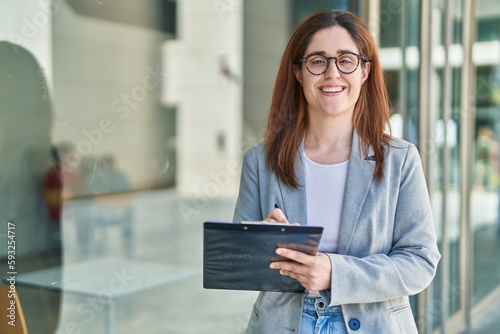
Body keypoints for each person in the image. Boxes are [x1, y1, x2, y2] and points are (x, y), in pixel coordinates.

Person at [233, 10, 441, 333]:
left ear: (365, 71)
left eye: (346, 60)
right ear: (299, 72)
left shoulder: (401, 161)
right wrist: (262, 241)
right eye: (318, 61)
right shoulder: (260, 162)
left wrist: (334, 273)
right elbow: (238, 263)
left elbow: (421, 262)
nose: (332, 73)